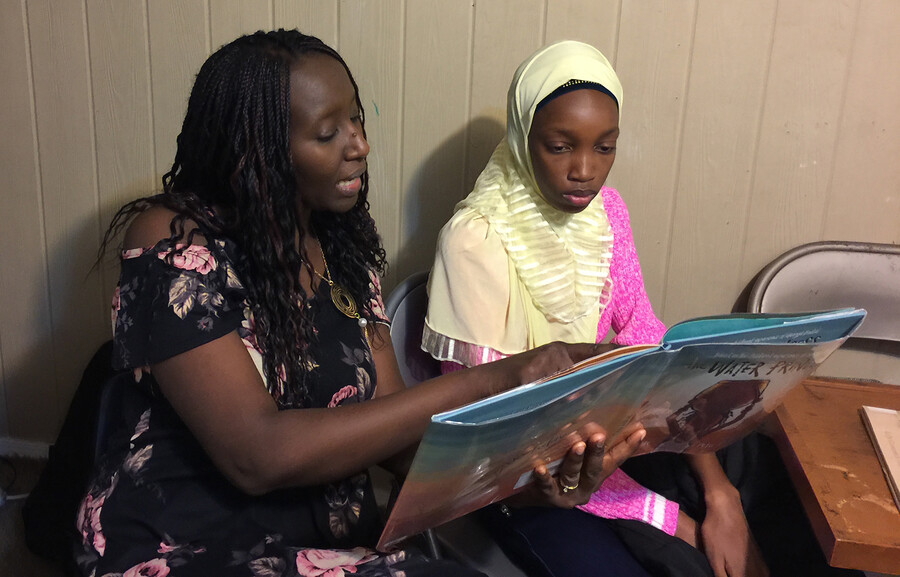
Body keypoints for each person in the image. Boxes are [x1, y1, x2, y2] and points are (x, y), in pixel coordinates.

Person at [75, 29, 647, 577]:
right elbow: (256, 456)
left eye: (357, 119)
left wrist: (531, 483)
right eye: (329, 133)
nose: (360, 146)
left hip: (330, 545)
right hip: (184, 544)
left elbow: (403, 452)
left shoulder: (341, 249)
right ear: (258, 149)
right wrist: (496, 379)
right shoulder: (172, 242)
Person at [424, 40, 868, 577]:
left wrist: (719, 493)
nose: (585, 171)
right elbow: (497, 440)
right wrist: (665, 517)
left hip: (619, 437)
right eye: (559, 147)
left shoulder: (607, 215)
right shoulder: (474, 241)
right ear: (522, 138)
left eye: (604, 147)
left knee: (777, 490)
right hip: (527, 482)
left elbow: (655, 352)